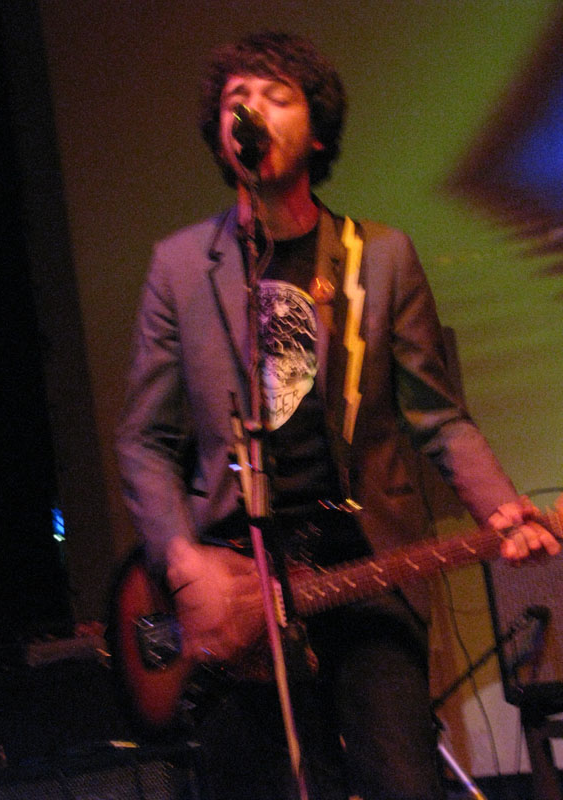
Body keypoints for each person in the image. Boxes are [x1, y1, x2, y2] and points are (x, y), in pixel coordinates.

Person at [116, 31, 560, 800]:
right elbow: (144, 440)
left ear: (317, 132)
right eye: (236, 99)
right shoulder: (180, 266)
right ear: (221, 138)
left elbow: (439, 417)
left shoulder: (379, 257)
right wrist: (183, 558)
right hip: (235, 578)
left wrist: (501, 509)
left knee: (401, 778)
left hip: (364, 566)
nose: (252, 109)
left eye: (276, 95)